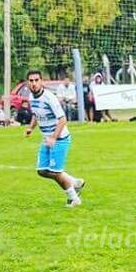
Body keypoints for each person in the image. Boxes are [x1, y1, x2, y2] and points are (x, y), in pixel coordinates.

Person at [25, 70, 85, 207]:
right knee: (42, 170)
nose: (34, 83)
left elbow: (63, 120)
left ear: (41, 81)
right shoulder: (31, 97)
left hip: (60, 139)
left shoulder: (49, 98)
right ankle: (74, 182)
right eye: (31, 80)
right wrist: (30, 128)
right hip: (48, 139)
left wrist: (53, 138)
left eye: (36, 80)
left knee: (55, 172)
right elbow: (36, 114)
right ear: (28, 83)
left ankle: (74, 199)